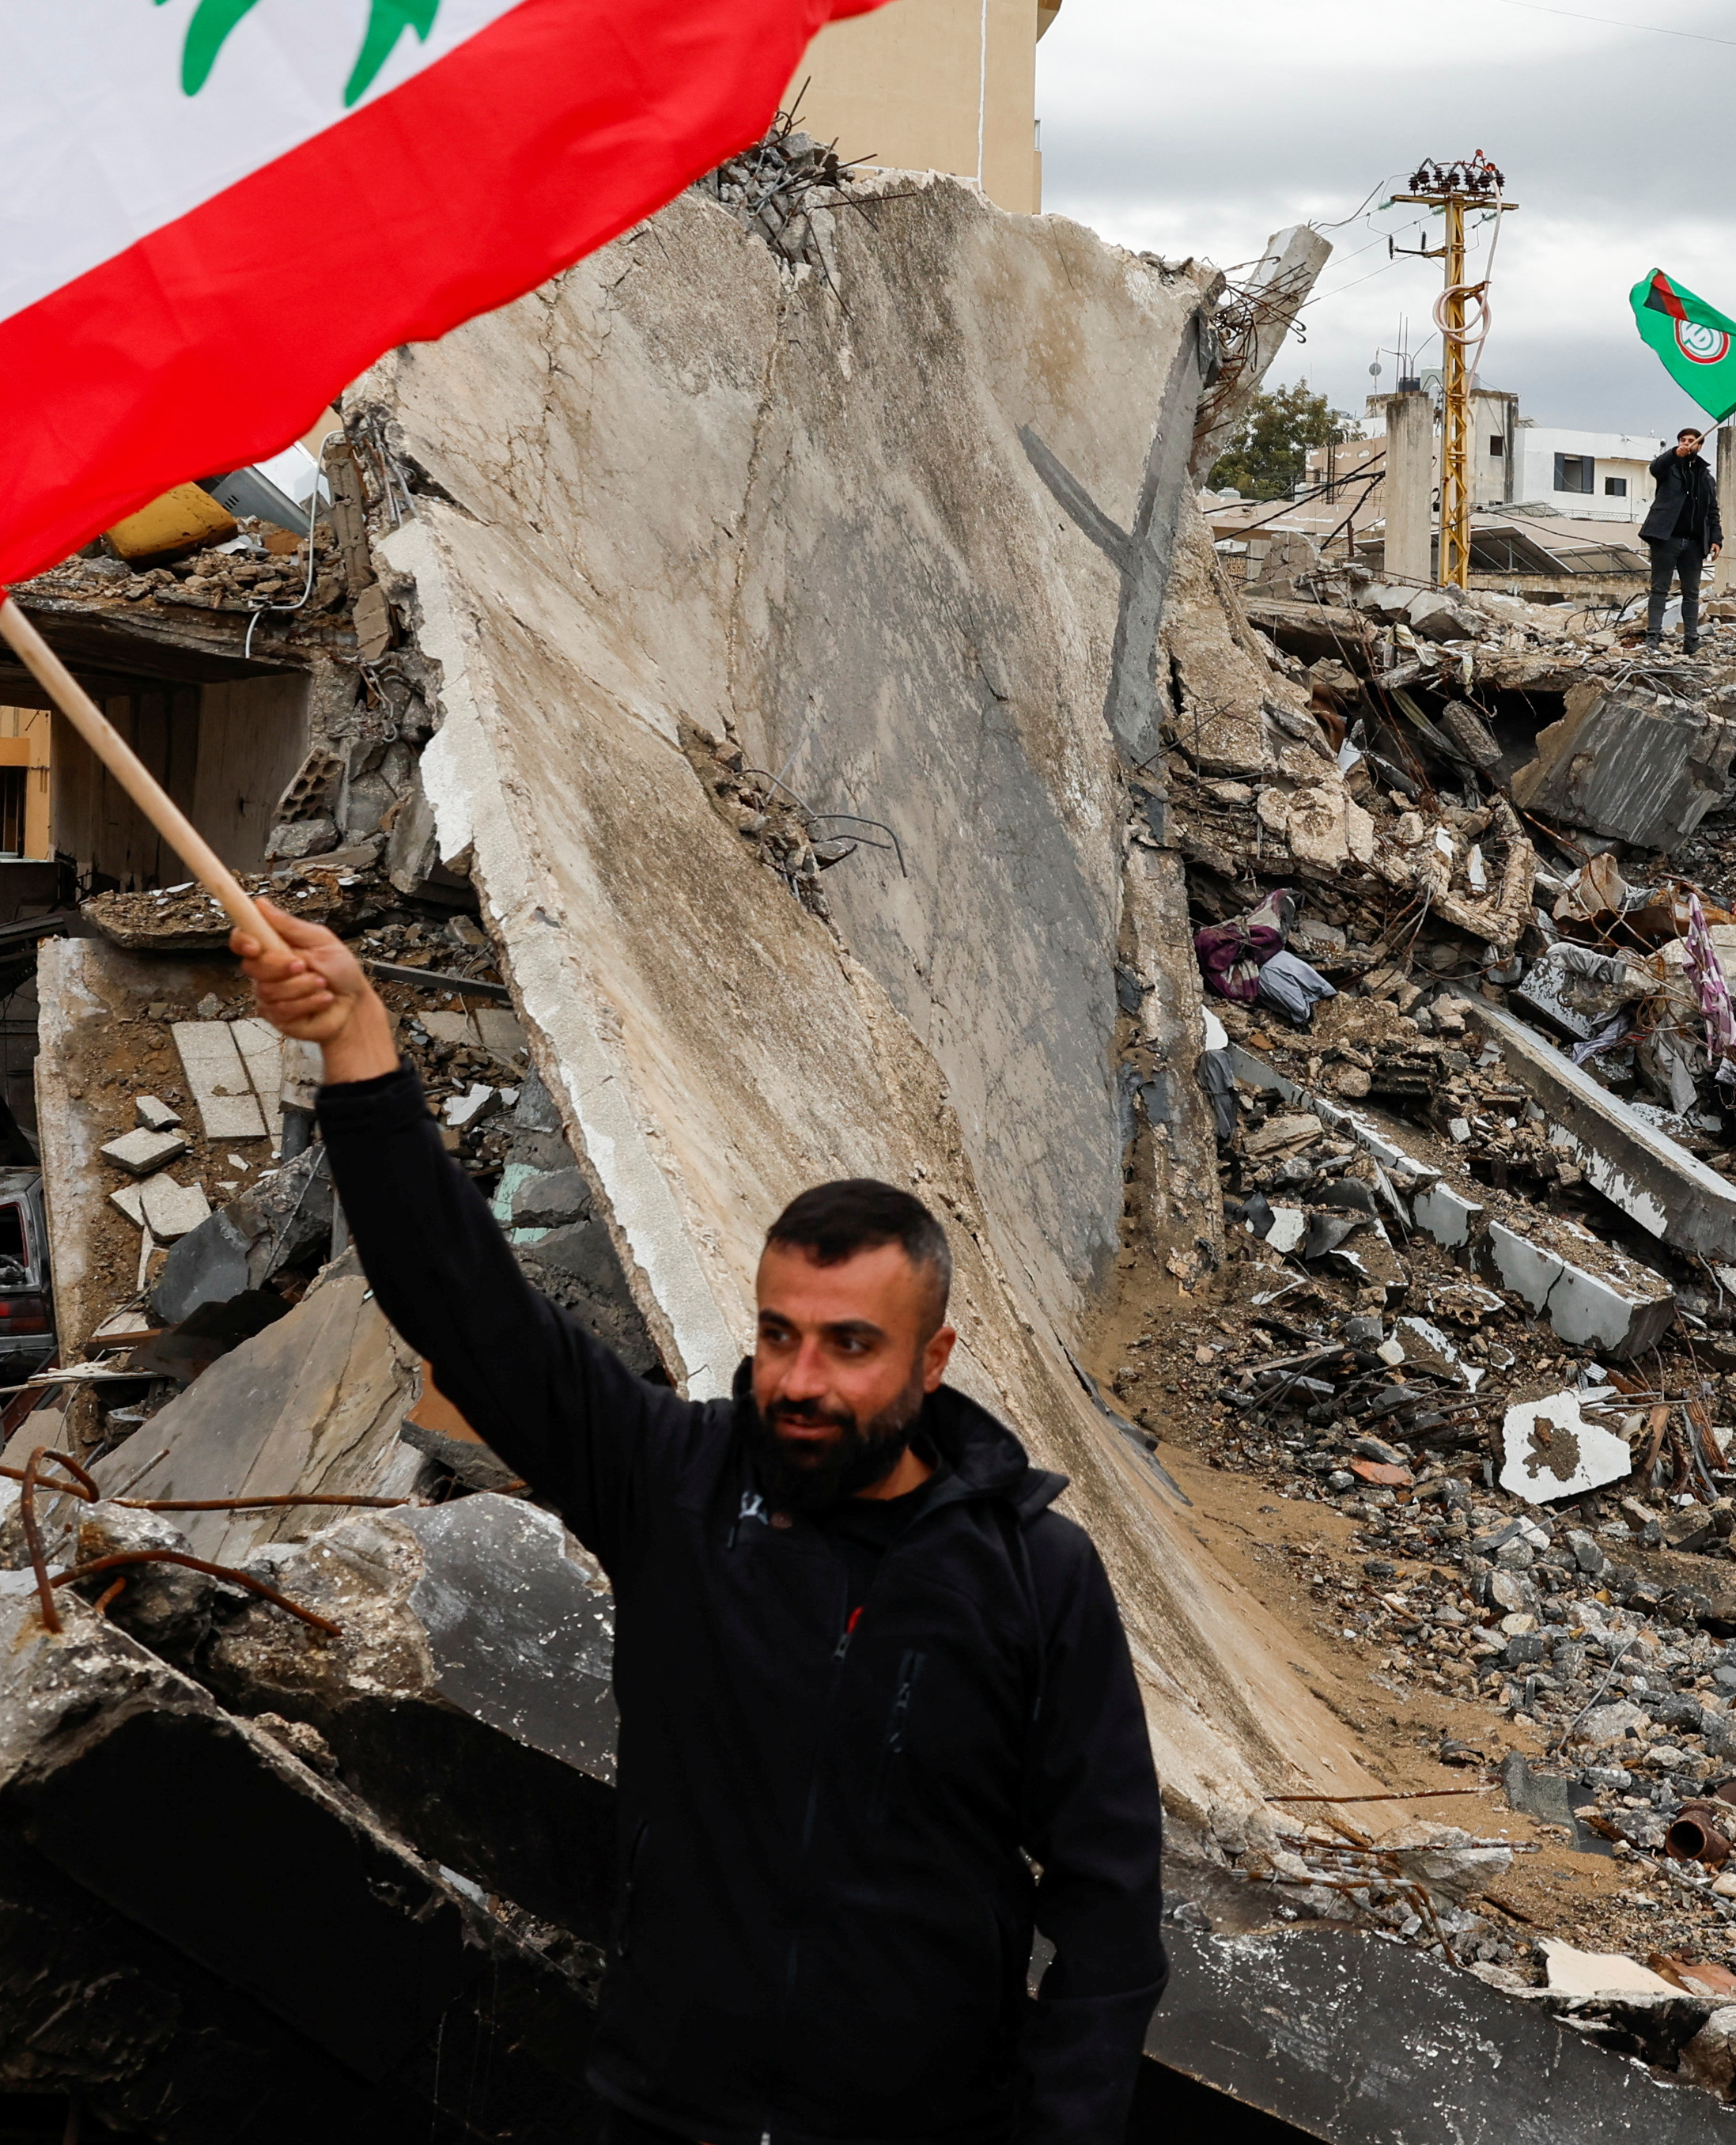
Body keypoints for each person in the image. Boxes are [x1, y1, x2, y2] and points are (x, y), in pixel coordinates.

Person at [237, 902, 1167, 2145]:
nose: (799, 1376)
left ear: (931, 1357)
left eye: (850, 1344)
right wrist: (358, 1040)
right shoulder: (673, 1483)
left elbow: (1110, 1905)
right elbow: (470, 1308)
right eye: (780, 1332)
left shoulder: (1034, 1572)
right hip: (661, 2109)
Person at [1638, 422, 1723, 653]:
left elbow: (1712, 510)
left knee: (1692, 593)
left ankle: (1691, 639)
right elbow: (1655, 468)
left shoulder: (1706, 478)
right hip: (1667, 538)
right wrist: (1675, 454)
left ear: (1700, 445)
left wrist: (1716, 538)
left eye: (1691, 440)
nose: (1687, 444)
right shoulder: (1670, 467)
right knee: (1659, 588)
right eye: (1683, 440)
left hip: (1695, 543)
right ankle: (1653, 636)